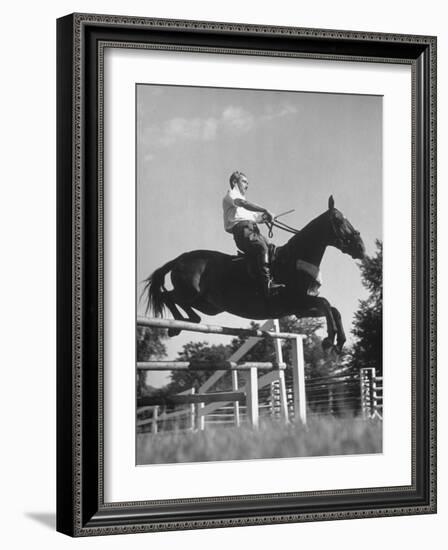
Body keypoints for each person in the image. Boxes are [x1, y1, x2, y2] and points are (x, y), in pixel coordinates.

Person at [222, 171, 283, 297]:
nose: (247, 185)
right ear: (234, 182)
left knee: (271, 249)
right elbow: (244, 204)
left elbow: (257, 218)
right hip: (242, 231)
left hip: (253, 231)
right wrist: (265, 210)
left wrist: (267, 217)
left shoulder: (243, 205)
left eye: (247, 183)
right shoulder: (231, 195)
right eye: (244, 182)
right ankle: (267, 284)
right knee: (262, 247)